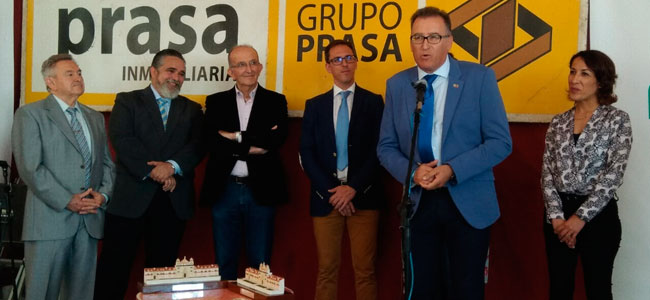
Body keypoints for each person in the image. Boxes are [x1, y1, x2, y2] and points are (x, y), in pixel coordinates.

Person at [377, 6, 512, 299]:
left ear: (450, 41)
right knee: (422, 289)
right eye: (417, 37)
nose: (424, 45)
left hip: (467, 201)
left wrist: (451, 169)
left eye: (433, 37)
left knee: (465, 290)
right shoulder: (398, 85)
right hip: (418, 203)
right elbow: (386, 147)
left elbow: (501, 142)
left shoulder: (480, 78)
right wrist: (413, 172)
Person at [94, 49, 204, 300]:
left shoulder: (192, 109)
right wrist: (156, 170)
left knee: (162, 277)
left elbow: (197, 146)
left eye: (181, 73)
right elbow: (122, 139)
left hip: (172, 202)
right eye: (170, 70)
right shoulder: (127, 100)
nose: (176, 77)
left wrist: (172, 166)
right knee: (114, 271)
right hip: (130, 201)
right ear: (153, 72)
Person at [11, 54, 115, 300]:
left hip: (89, 221)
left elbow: (108, 164)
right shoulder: (30, 115)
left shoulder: (95, 117)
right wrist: (67, 199)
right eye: (70, 74)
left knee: (81, 294)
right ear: (50, 82)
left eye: (79, 73)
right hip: (49, 222)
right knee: (42, 293)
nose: (78, 77)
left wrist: (103, 196)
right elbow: (30, 168)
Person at [542, 50, 632, 300]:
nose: (574, 79)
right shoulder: (558, 122)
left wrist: (579, 219)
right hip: (557, 217)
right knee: (559, 289)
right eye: (572, 71)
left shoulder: (617, 120)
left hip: (598, 218)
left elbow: (614, 174)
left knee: (598, 289)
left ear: (601, 80)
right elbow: (547, 172)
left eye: (584, 73)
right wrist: (558, 219)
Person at [299, 40, 384, 300]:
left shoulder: (374, 102)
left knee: (365, 271)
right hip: (326, 200)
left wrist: (353, 189)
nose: (344, 63)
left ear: (357, 62)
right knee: (326, 270)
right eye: (337, 59)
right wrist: (334, 193)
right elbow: (307, 154)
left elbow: (380, 150)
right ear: (328, 67)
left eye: (349, 58)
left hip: (364, 197)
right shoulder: (314, 105)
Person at [201, 45, 288, 280]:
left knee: (260, 264)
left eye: (253, 63)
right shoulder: (216, 101)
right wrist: (253, 143)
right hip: (225, 189)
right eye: (241, 65)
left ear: (260, 67)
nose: (248, 69)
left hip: (261, 189)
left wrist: (233, 136)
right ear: (231, 72)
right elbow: (212, 141)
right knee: (224, 261)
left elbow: (275, 140)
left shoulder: (276, 101)